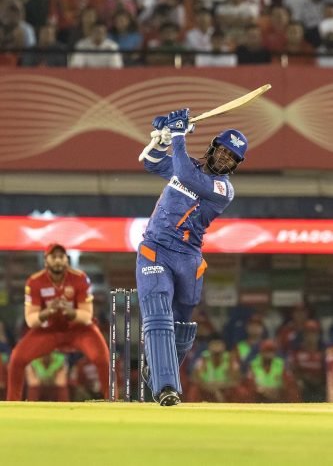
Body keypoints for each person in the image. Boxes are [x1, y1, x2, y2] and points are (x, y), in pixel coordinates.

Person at [137, 108, 248, 406]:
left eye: (232, 158)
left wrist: (177, 135)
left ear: (235, 166)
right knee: (159, 316)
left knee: (182, 324)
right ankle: (166, 389)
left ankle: (158, 371)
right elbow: (149, 163)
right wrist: (162, 140)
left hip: (188, 258)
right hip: (156, 249)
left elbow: (184, 174)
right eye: (223, 151)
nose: (225, 158)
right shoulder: (187, 163)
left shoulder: (224, 190)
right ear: (212, 147)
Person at [7, 243, 110, 401]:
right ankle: (12, 402)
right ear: (46, 260)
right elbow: (31, 320)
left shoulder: (80, 278)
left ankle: (113, 398)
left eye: (61, 257)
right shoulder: (34, 282)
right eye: (53, 257)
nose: (57, 261)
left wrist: (69, 312)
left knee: (102, 358)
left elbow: (86, 316)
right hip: (49, 331)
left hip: (78, 330)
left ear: (66, 260)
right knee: (17, 358)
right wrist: (48, 311)